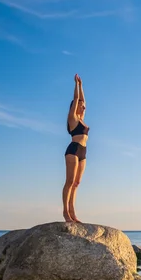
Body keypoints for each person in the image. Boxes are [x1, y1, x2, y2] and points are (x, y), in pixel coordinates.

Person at [62, 74, 89, 222]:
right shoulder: (72, 118)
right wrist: (76, 85)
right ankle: (66, 212)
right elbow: (78, 100)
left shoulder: (82, 119)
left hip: (83, 152)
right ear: (74, 105)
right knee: (70, 182)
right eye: (80, 104)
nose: (83, 105)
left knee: (77, 183)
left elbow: (84, 101)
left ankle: (73, 211)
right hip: (73, 150)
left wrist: (82, 85)